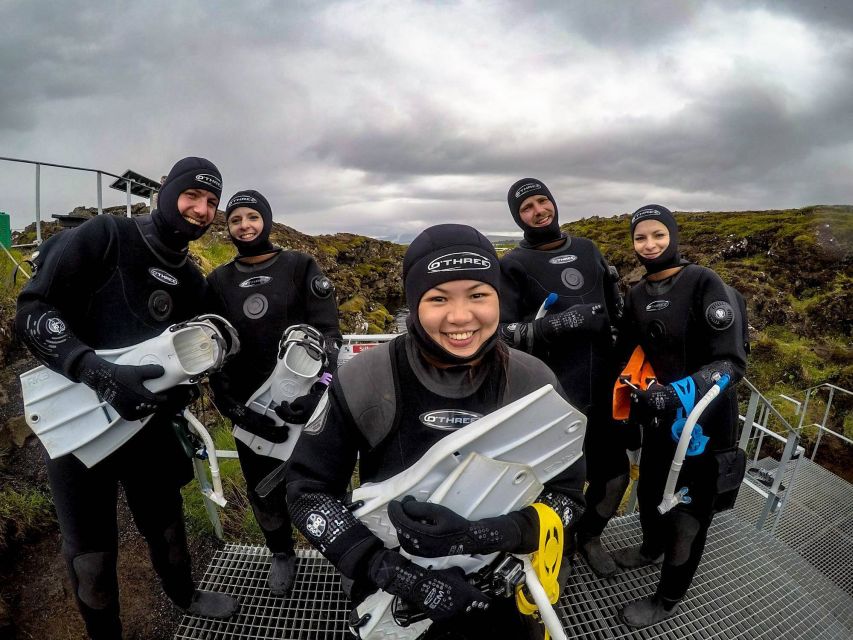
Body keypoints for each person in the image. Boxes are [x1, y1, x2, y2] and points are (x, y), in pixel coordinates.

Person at [285, 224, 585, 639]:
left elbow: (568, 498)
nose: (461, 317)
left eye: (479, 295)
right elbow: (307, 493)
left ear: (498, 298)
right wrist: (391, 572)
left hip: (501, 582)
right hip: (394, 595)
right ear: (413, 304)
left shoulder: (532, 381)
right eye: (438, 298)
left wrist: (485, 535)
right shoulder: (367, 380)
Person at [15, 157, 239, 639]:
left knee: (166, 523)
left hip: (148, 427)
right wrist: (95, 372)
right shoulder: (105, 236)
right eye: (192, 196)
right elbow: (34, 310)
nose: (201, 210)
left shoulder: (192, 281)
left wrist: (189, 389)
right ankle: (104, 633)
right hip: (80, 420)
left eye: (211, 203)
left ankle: (185, 594)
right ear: (166, 191)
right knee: (91, 552)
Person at [615, 204, 747, 627]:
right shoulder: (636, 295)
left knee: (689, 516)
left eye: (658, 234)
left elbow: (731, 365)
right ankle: (649, 549)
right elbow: (630, 353)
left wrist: (678, 393)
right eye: (640, 237)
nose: (649, 245)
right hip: (658, 419)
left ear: (673, 236)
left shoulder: (703, 282)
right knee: (653, 491)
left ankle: (667, 599)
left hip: (706, 425)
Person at [205, 189, 341, 596]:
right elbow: (211, 349)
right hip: (253, 410)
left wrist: (320, 391)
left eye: (252, 217)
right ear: (227, 227)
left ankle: (342, 552)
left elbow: (330, 334)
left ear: (266, 219)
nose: (244, 226)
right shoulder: (218, 281)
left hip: (308, 402)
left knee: (327, 481)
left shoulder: (300, 266)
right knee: (263, 487)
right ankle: (281, 553)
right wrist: (232, 408)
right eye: (235, 219)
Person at [499, 178, 629, 578]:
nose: (539, 211)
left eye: (543, 201)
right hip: (552, 394)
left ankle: (588, 537)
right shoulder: (513, 265)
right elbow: (501, 333)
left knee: (614, 477)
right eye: (527, 208)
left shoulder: (588, 250)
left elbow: (618, 312)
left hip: (604, 386)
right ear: (517, 217)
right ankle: (557, 550)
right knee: (552, 486)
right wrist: (561, 323)